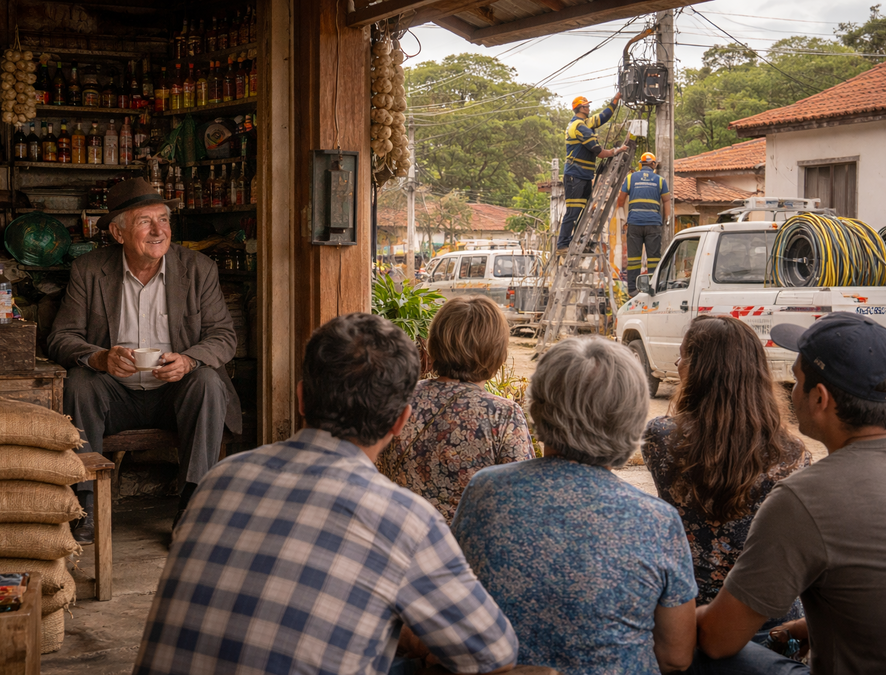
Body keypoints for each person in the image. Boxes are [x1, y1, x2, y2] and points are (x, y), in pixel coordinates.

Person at [133, 313, 519, 675]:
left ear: (301, 398)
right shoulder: (404, 520)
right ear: (401, 420)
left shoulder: (220, 479)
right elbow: (493, 652)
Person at [693, 312, 886, 674]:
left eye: (796, 380)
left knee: (690, 647)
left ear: (819, 398)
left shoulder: (802, 500)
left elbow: (718, 638)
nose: (791, 392)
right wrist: (806, 627)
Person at [451, 338, 697, 675]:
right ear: (631, 417)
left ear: (538, 407)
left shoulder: (486, 489)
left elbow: (455, 606)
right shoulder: (657, 520)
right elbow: (676, 656)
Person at [47, 177, 240, 543]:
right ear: (119, 233)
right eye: (144, 221)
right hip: (115, 395)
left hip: (175, 394)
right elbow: (61, 337)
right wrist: (100, 358)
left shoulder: (197, 269)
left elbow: (223, 336)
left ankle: (192, 508)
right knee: (80, 382)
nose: (158, 231)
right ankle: (84, 505)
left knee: (208, 382)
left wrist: (188, 360)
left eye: (163, 220)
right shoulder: (90, 270)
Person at [642, 316, 811, 638]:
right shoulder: (794, 453)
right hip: (767, 616)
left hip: (689, 611)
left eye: (683, 356)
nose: (677, 364)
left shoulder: (662, 438)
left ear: (696, 369)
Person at [376, 296, 534, 523]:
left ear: (434, 344)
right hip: (464, 551)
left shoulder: (400, 396)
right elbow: (521, 501)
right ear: (498, 352)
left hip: (397, 539)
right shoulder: (503, 415)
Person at [555, 92, 630, 254]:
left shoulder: (584, 123)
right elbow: (598, 151)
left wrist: (615, 99)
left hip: (583, 175)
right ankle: (563, 245)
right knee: (573, 212)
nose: (589, 107)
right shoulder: (580, 127)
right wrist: (616, 151)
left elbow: (603, 116)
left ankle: (577, 242)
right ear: (581, 108)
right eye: (587, 105)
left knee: (583, 210)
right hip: (575, 175)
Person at [617, 152, 670, 295]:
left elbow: (620, 201)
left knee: (634, 258)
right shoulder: (660, 180)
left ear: (641, 164)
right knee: (654, 258)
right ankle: (652, 288)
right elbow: (666, 201)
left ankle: (633, 289)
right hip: (653, 223)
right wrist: (667, 220)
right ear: (653, 165)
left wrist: (623, 219)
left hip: (634, 223)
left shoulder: (630, 179)